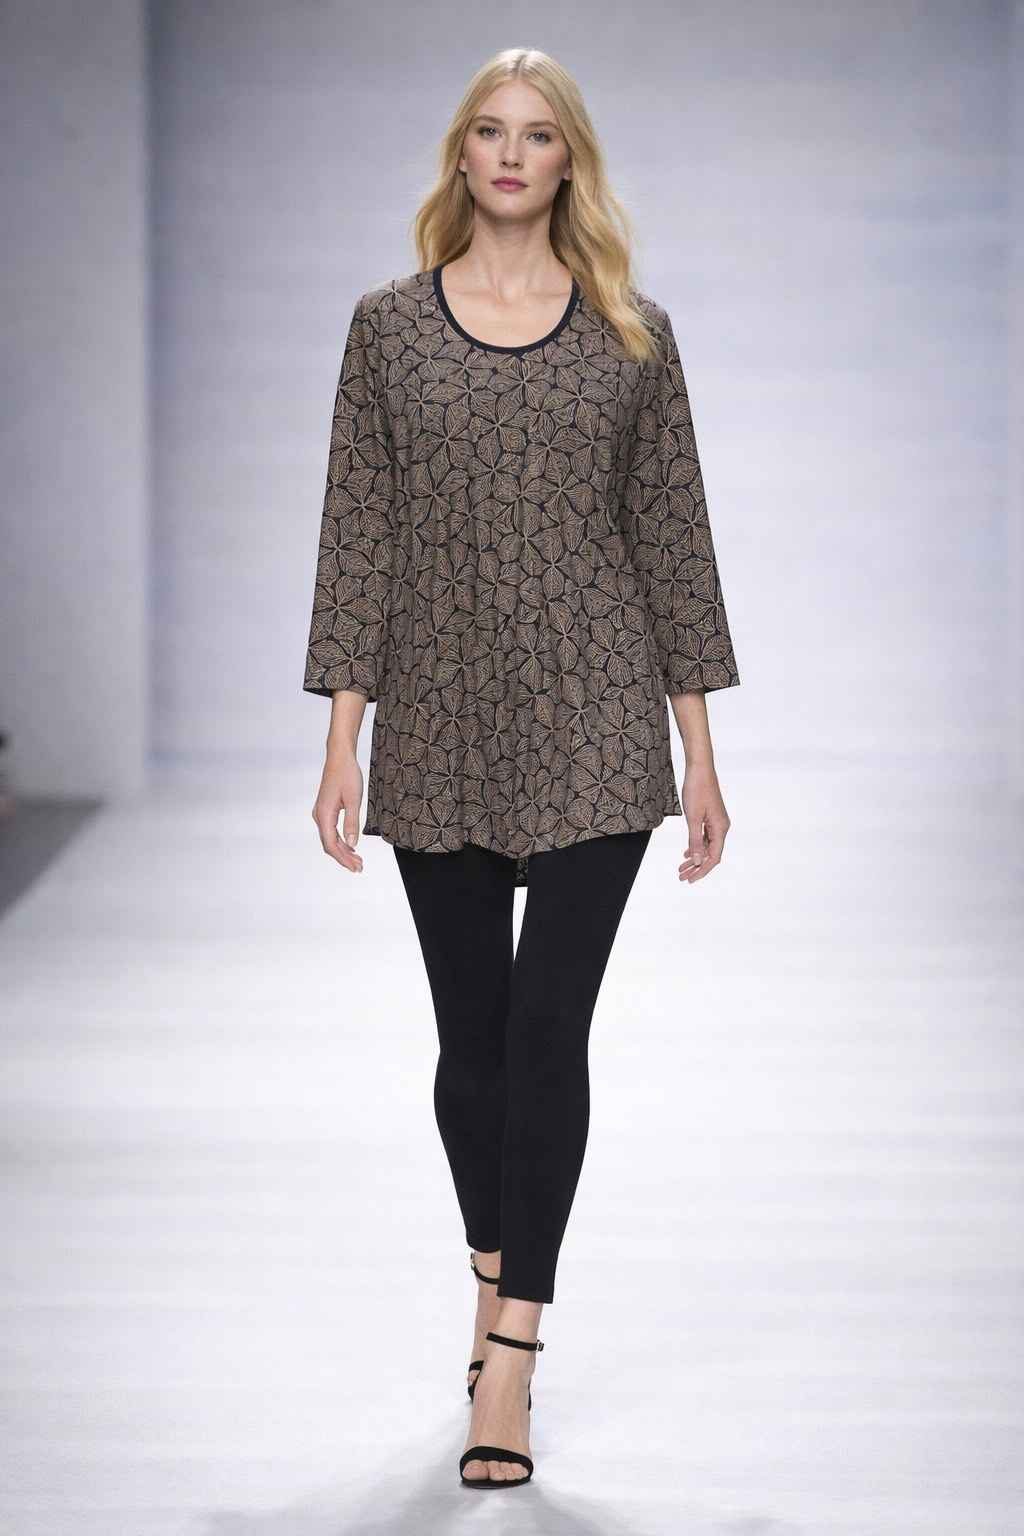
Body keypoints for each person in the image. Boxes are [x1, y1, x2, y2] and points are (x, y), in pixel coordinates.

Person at [304, 46, 741, 1490]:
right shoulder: (387, 329)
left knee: (550, 1037)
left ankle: (512, 1351)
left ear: (569, 162)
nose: (509, 154)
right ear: (461, 153)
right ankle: (496, 1271)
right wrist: (342, 738)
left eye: (537, 135)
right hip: (438, 716)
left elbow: (673, 542)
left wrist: (700, 755)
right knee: (472, 1048)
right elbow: (359, 531)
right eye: (488, 131)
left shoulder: (630, 332)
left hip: (596, 717)